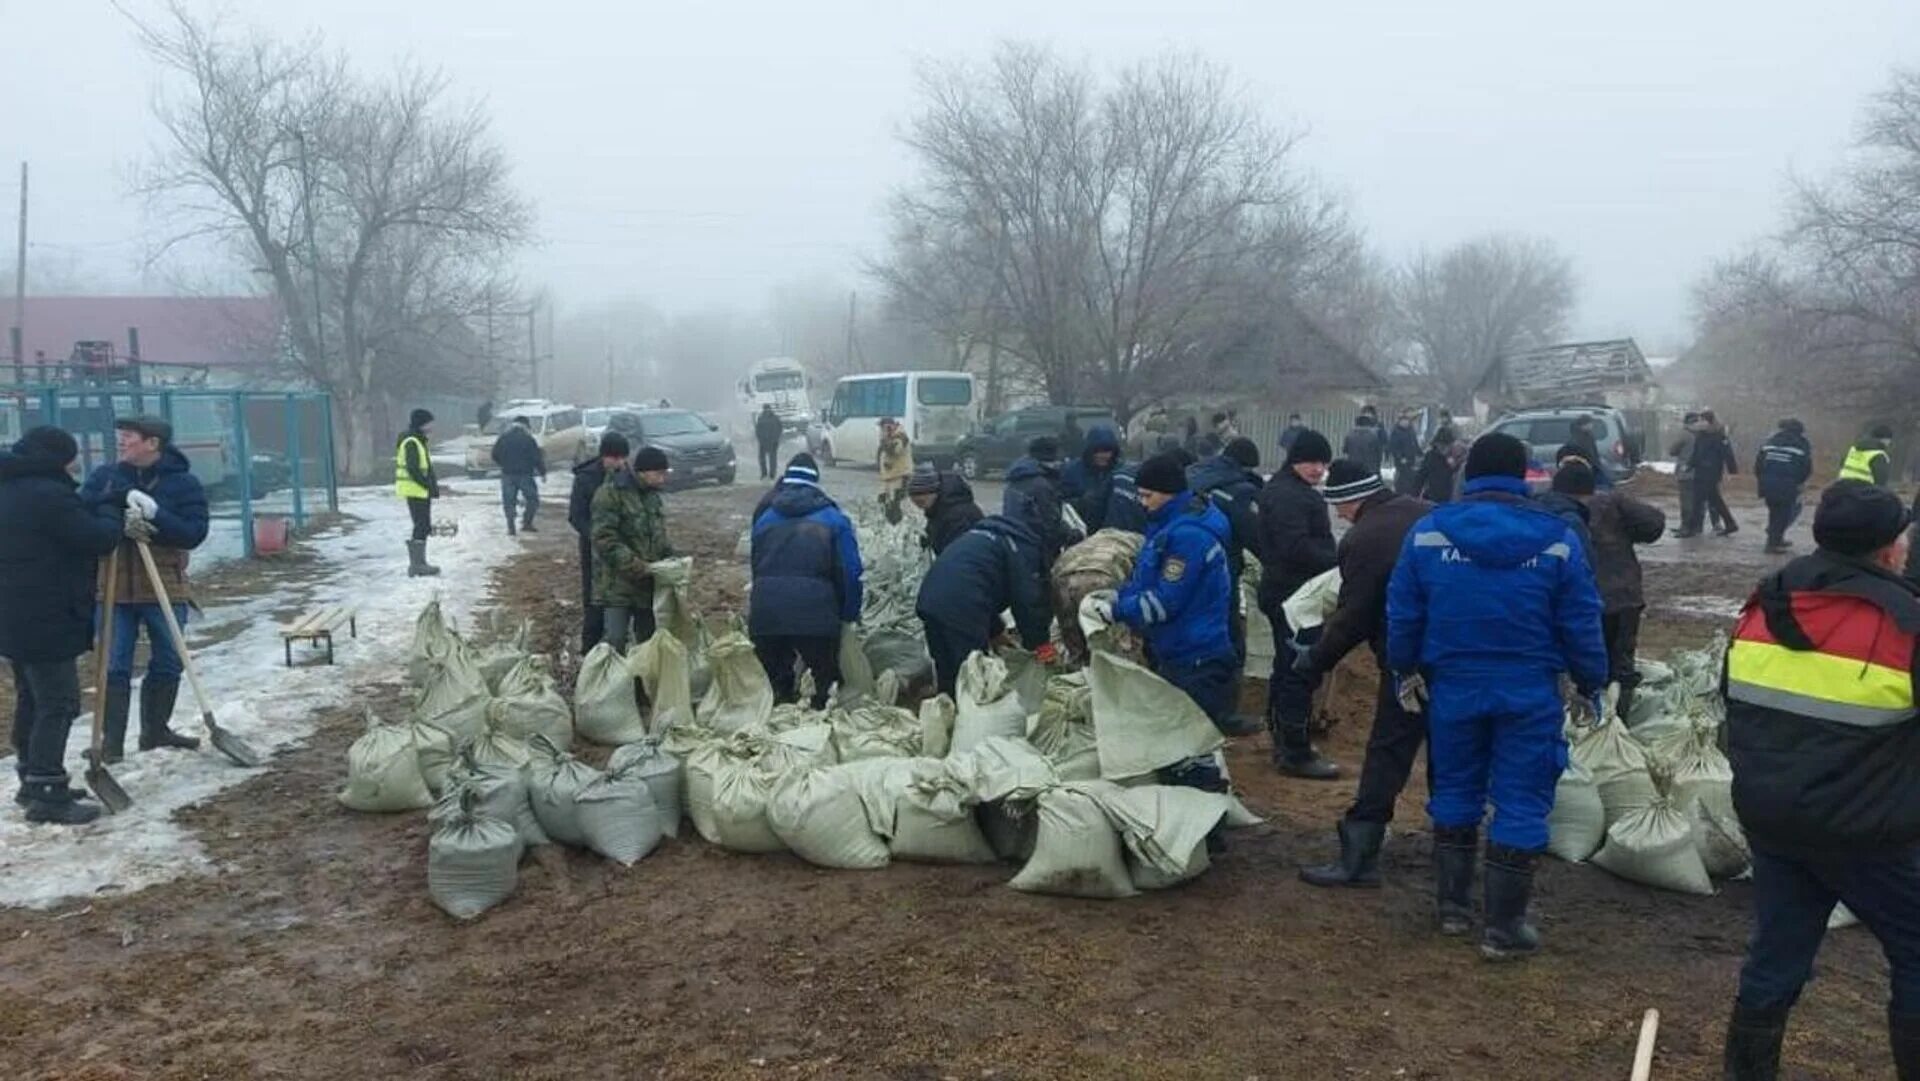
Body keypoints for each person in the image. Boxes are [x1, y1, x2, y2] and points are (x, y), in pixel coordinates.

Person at [1719, 481, 1919, 1079]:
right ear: (1888, 551)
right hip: (1868, 831)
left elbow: (1734, 707)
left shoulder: (1763, 606)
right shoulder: (1904, 624)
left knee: (1778, 954)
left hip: (1772, 818)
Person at [1386, 431, 1608, 961]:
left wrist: (1403, 666)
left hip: (1453, 686)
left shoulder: (1428, 532)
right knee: (1522, 796)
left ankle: (1452, 909)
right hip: (1528, 688)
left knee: (1456, 784)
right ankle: (1505, 928)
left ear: (1470, 474)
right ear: (1526, 474)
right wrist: (1591, 678)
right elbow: (1580, 616)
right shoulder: (1558, 538)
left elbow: (1403, 610)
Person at [1295, 460, 1432, 887]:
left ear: (1353, 499)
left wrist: (1314, 660)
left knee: (1388, 751)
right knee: (1451, 754)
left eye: (1340, 505)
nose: (1338, 515)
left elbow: (1355, 615)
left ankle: (1359, 857)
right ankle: (1452, 858)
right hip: (1461, 655)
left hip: (1408, 661)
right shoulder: (1426, 511)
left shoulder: (1365, 537)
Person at [1, 427, 126, 824]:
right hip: (45, 611)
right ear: (57, 458)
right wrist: (111, 508)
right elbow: (97, 539)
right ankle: (47, 793)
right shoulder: (47, 494)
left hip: (13, 611)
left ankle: (32, 779)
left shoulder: (9, 487)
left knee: (32, 697)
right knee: (59, 701)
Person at [1089, 453, 1241, 754]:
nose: (1142, 503)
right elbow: (1149, 581)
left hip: (1197, 660)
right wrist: (1121, 595)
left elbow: (1163, 603)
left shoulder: (1188, 538)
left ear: (1169, 493)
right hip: (1179, 652)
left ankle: (1204, 796)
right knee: (1177, 743)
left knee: (1191, 749)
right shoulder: (1167, 526)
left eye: (1148, 495)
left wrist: (1116, 611)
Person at [80, 414, 212, 760]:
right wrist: (116, 507)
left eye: (129, 436)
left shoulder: (184, 484)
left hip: (165, 585)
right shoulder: (105, 477)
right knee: (114, 665)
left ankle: (155, 731)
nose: (122, 442)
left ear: (153, 443)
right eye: (120, 436)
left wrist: (155, 515)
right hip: (113, 587)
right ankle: (110, 743)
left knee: (169, 660)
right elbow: (82, 513)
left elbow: (193, 532)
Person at [1253, 428, 1342, 779]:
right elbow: (1296, 548)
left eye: (1323, 462)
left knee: (1287, 666)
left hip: (1285, 591)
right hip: (1294, 597)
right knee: (1299, 670)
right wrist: (1337, 559)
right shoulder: (1291, 497)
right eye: (1310, 461)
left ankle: (1283, 737)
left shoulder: (1286, 491)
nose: (1317, 468)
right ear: (1295, 460)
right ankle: (1295, 750)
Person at [1549, 460, 1666, 718]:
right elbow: (1654, 524)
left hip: (1575, 603)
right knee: (1621, 667)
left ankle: (1582, 720)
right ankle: (1618, 724)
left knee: (1573, 665)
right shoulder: (1612, 503)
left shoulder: (1546, 511)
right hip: (1621, 598)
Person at [748, 455, 863, 709]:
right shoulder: (834, 519)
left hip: (767, 612)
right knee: (823, 689)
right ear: (815, 483)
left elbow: (756, 568)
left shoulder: (765, 518)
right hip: (816, 614)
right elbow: (850, 571)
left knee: (773, 688)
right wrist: (849, 614)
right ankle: (815, 738)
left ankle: (773, 738)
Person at [915, 515, 1055, 698]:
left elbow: (980, 584)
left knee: (947, 667)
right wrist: (1041, 646)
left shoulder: (987, 536)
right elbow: (1027, 603)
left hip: (930, 600)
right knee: (974, 671)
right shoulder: (1022, 549)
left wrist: (996, 632)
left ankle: (948, 711)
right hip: (962, 607)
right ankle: (970, 716)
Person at [1187, 437, 1265, 725]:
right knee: (1228, 639)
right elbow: (1256, 537)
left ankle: (1186, 710)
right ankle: (1224, 714)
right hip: (1219, 571)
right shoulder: (1240, 491)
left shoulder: (1195, 475)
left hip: (1181, 567)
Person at [591, 445, 676, 653]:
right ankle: (614, 682)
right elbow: (604, 538)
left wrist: (670, 559)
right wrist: (635, 565)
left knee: (647, 643)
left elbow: (657, 535)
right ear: (643, 472)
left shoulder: (652, 497)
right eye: (659, 473)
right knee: (615, 640)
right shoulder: (611, 494)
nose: (663, 479)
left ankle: (641, 684)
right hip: (617, 585)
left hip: (646, 585)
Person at [569, 432, 630, 652]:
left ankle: (618, 646)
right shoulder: (585, 478)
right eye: (615, 458)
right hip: (593, 551)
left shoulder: (627, 477)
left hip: (622, 549)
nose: (620, 463)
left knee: (621, 600)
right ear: (604, 457)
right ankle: (590, 650)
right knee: (594, 602)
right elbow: (576, 516)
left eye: (623, 458)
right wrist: (596, 537)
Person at [1003, 436, 1068, 570]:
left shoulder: (1016, 478)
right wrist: (1070, 534)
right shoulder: (1040, 485)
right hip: (1037, 549)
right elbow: (1049, 525)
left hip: (1014, 542)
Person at [394, 408, 443, 577]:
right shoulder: (412, 442)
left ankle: (419, 562)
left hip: (419, 490)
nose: (432, 426)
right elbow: (414, 468)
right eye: (430, 422)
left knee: (423, 525)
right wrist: (427, 485)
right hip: (415, 490)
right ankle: (417, 565)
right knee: (421, 525)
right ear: (421, 424)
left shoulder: (417, 440)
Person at [1755, 417, 1814, 554]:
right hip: (1787, 483)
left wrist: (1762, 480)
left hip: (1767, 483)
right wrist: (1799, 482)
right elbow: (1806, 467)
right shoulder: (1801, 444)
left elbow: (1758, 465)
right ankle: (1772, 544)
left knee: (1774, 511)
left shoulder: (1770, 442)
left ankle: (1776, 539)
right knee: (1784, 513)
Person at [1682, 410, 1739, 538]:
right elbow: (1696, 454)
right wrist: (1689, 465)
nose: (1700, 423)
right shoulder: (1701, 435)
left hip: (1711, 473)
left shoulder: (1719, 436)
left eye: (1702, 420)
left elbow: (1727, 454)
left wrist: (1732, 471)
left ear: (1710, 422)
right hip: (1700, 471)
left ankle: (1691, 529)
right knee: (1715, 500)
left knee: (1698, 500)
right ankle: (1730, 524)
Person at [907, 463, 982, 555]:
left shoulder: (958, 517)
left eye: (921, 502)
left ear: (932, 492)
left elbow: (956, 554)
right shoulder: (939, 508)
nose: (919, 507)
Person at [1060, 426, 1123, 533]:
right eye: (1098, 451)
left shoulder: (1121, 471)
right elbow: (1061, 503)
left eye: (1108, 451)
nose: (1103, 456)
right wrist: (1081, 502)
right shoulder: (1071, 471)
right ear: (1089, 451)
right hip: (1084, 531)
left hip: (1115, 532)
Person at [491, 415, 546, 535]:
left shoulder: (503, 438)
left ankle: (511, 527)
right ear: (525, 426)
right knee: (532, 499)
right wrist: (542, 472)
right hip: (525, 474)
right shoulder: (528, 439)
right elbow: (536, 457)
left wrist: (504, 464)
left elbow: (494, 454)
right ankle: (527, 523)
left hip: (507, 474)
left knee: (509, 501)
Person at [1554, 416, 1612, 490]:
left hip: (1590, 464)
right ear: (1583, 425)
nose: (1592, 426)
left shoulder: (1588, 435)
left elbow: (1593, 451)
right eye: (1590, 423)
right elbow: (1584, 452)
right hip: (1586, 464)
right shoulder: (1578, 438)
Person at [876, 417, 914, 522]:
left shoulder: (900, 436)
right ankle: (888, 523)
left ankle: (898, 525)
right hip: (890, 476)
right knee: (883, 501)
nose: (881, 431)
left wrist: (884, 439)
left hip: (899, 476)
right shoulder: (891, 436)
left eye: (883, 428)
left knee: (896, 504)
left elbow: (894, 450)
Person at [1839, 423, 1896, 488]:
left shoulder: (1854, 449)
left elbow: (1842, 464)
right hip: (1864, 492)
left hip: (1843, 487)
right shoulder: (1879, 455)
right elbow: (1881, 481)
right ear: (1885, 440)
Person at [1412, 428, 1458, 504]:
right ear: (1436, 444)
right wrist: (1414, 496)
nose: (1444, 448)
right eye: (1441, 445)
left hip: (1451, 500)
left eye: (1447, 445)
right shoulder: (1430, 456)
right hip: (1432, 499)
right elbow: (1420, 477)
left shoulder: (1455, 456)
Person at [1388, 411, 1423, 495]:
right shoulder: (1396, 432)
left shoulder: (1411, 430)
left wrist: (1420, 454)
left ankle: (1408, 492)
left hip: (1411, 460)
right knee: (1401, 478)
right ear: (1400, 421)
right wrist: (1400, 457)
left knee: (1410, 478)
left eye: (1407, 420)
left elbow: (1415, 444)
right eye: (1404, 420)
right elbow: (1394, 447)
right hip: (1401, 461)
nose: (1406, 422)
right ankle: (1399, 492)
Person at [753, 404, 784, 481]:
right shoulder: (774, 418)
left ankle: (767, 474)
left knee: (767, 458)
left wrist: (761, 439)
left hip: (767, 441)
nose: (767, 410)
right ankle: (769, 474)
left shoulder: (762, 418)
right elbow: (758, 430)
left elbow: (757, 430)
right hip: (768, 441)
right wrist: (776, 438)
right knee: (769, 458)